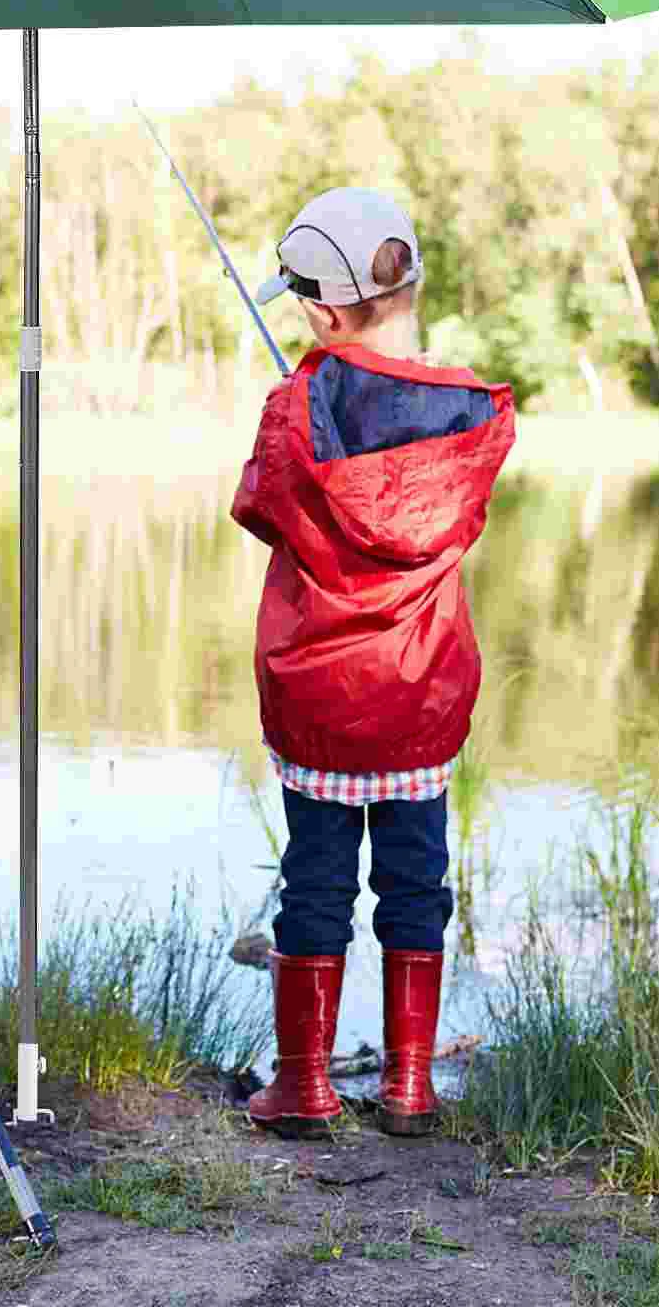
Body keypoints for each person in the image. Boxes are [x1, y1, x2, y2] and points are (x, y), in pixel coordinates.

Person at [231, 188, 515, 1139]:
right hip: (422, 685)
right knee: (416, 875)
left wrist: (310, 389)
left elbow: (263, 506)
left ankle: (305, 1089)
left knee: (316, 877)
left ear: (318, 310)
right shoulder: (473, 412)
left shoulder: (295, 406)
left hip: (321, 687)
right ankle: (409, 1087)